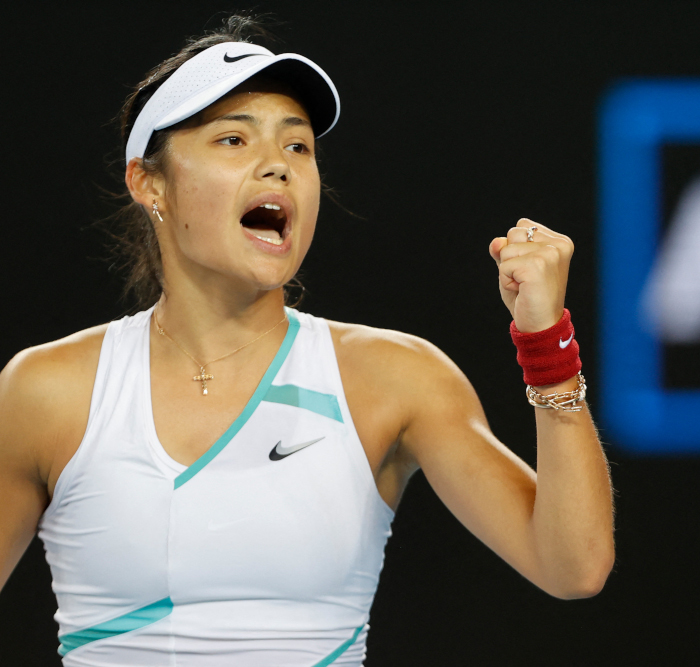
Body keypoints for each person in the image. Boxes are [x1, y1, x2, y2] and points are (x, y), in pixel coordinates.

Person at [0, 15, 614, 666]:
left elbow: (573, 564)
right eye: (234, 139)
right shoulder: (46, 392)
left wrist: (546, 343)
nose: (278, 167)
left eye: (299, 147)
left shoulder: (393, 379)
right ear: (148, 183)